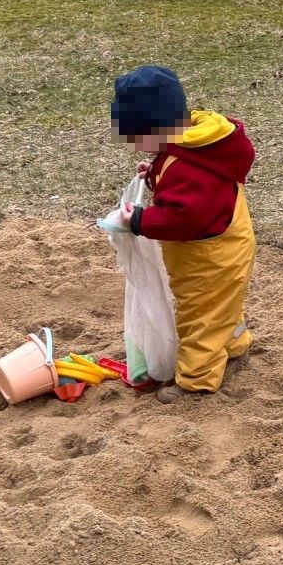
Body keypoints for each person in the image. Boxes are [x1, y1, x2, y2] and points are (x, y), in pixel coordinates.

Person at [105, 65, 257, 401]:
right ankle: (234, 344)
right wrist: (156, 172)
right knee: (221, 308)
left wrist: (140, 221)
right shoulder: (194, 144)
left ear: (157, 127)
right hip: (226, 247)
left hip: (210, 260)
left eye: (134, 138)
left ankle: (196, 381)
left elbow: (184, 218)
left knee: (200, 317)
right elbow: (188, 181)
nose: (131, 146)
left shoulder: (187, 166)